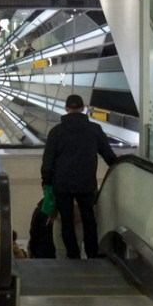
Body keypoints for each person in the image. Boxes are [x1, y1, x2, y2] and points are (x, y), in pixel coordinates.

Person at [40, 94, 117, 259]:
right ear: (83, 108)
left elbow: (47, 162)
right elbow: (109, 156)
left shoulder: (56, 132)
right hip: (86, 184)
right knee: (89, 219)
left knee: (66, 222)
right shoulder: (94, 130)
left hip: (62, 185)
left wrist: (46, 182)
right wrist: (121, 166)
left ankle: (73, 255)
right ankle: (92, 254)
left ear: (66, 109)